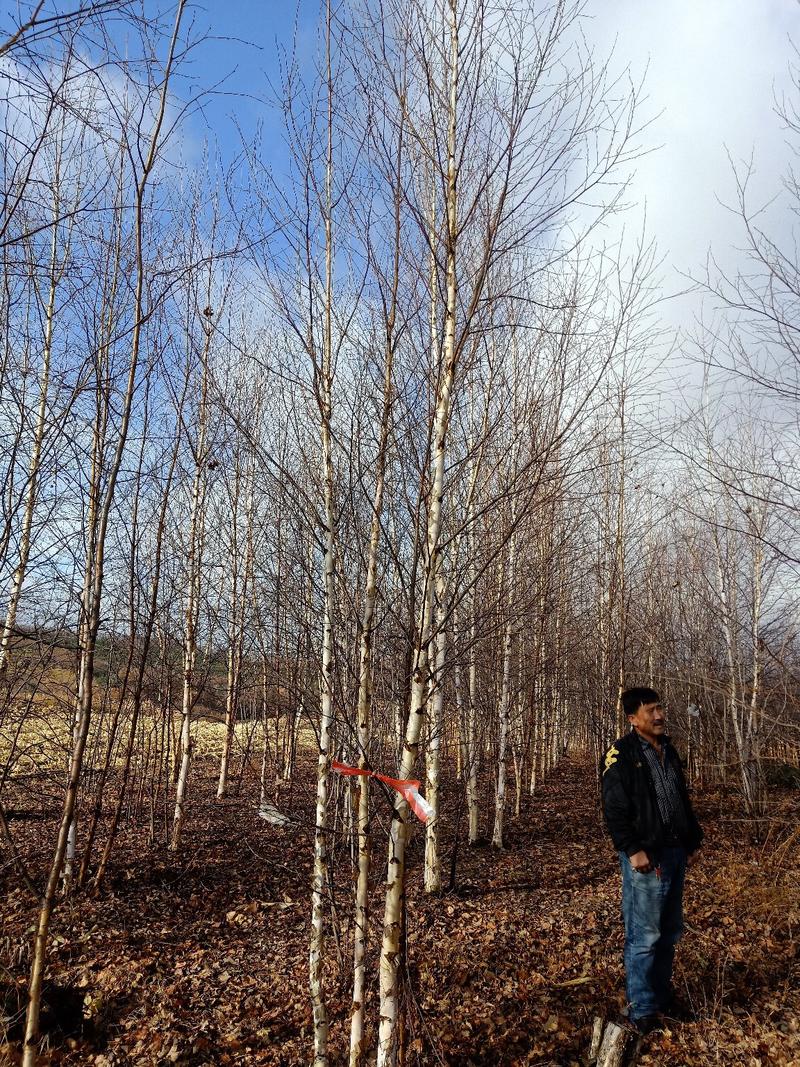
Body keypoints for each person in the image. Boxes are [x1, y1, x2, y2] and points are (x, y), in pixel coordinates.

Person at [601, 686, 703, 1034]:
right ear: (633, 719)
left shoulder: (668, 750)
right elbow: (614, 808)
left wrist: (691, 838)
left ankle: (661, 998)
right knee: (644, 936)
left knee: (670, 932)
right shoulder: (621, 754)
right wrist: (632, 849)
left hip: (674, 852)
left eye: (660, 708)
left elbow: (679, 798)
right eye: (651, 711)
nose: (659, 716)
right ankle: (642, 1011)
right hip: (647, 857)